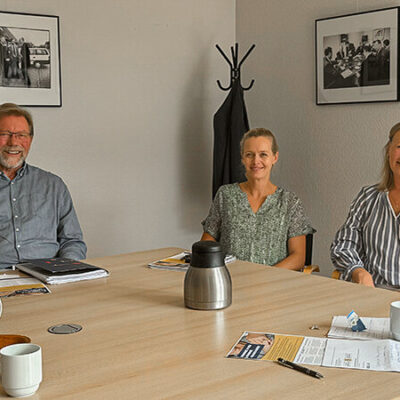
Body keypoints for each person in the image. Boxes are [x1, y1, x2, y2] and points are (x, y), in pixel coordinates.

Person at [201, 128, 314, 270]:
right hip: (230, 280)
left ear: (275, 157)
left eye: (263, 154)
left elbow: (298, 257)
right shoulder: (225, 195)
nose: (256, 161)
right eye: (249, 155)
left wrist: (265, 276)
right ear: (242, 158)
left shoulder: (290, 202)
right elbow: (207, 241)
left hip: (273, 284)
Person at [0, 103, 86, 268]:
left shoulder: (53, 185)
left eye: (21, 135)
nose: (13, 142)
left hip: (49, 274)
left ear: (30, 140)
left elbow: (72, 241)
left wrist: (65, 269)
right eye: (5, 134)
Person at [331, 122, 400, 289]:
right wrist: (357, 270)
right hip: (371, 293)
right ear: (388, 152)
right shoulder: (368, 198)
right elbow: (343, 244)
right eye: (399, 146)